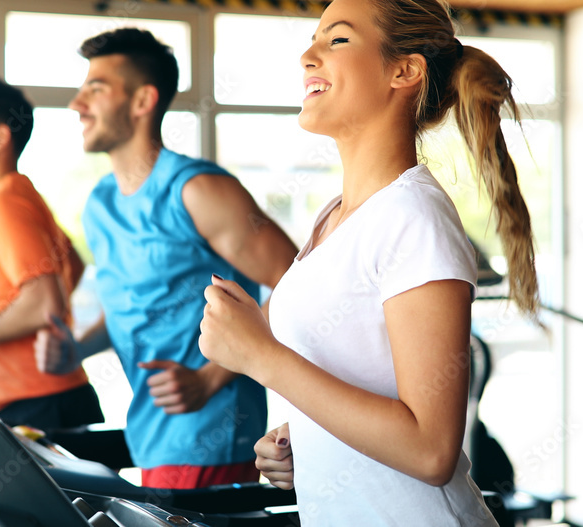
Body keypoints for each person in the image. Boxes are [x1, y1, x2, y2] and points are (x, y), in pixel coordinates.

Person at [198, 0, 539, 524]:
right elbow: (367, 387)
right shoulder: (334, 217)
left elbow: (430, 450)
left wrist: (260, 357)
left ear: (404, 70)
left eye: (336, 40)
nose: (308, 55)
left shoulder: (414, 216)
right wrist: (309, 442)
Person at [35, 28, 299, 489]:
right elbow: (130, 306)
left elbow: (298, 280)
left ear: (142, 102)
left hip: (212, 436)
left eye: (95, 89)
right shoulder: (99, 203)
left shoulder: (198, 191)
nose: (77, 104)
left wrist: (210, 379)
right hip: (150, 438)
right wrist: (75, 348)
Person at [0, 78, 104, 433]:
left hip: (40, 402)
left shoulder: (3, 203)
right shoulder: (20, 192)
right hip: (54, 396)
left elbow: (45, 302)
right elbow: (70, 263)